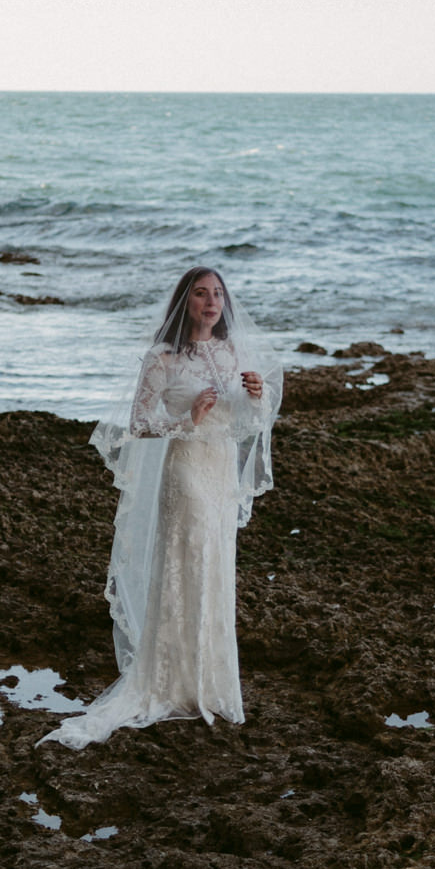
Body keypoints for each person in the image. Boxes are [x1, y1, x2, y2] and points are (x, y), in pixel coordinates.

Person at [41, 267, 283, 749]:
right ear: (185, 301)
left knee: (215, 567)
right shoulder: (162, 358)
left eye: (217, 294)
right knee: (185, 564)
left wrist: (257, 397)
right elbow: (140, 422)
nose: (211, 302)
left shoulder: (231, 351)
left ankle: (208, 684)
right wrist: (186, 417)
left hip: (219, 473)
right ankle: (169, 680)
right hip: (186, 470)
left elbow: (246, 418)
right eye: (200, 293)